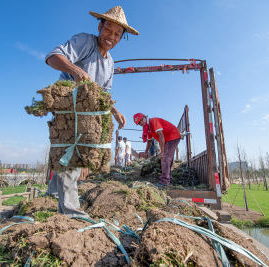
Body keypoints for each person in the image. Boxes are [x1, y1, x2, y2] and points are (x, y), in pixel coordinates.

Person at [45, 6, 139, 217]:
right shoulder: (86, 43)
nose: (111, 37)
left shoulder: (110, 63)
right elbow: (53, 57)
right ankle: (70, 211)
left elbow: (102, 93)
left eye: (117, 34)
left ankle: (52, 192)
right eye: (108, 30)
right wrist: (76, 70)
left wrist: (114, 110)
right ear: (100, 26)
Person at [134, 113, 181, 187]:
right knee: (168, 158)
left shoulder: (154, 121)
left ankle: (164, 181)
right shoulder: (147, 128)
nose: (141, 123)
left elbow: (161, 135)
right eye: (139, 123)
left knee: (165, 158)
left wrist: (162, 152)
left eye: (141, 121)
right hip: (167, 139)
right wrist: (146, 152)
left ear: (144, 117)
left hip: (173, 136)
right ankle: (169, 179)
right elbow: (149, 141)